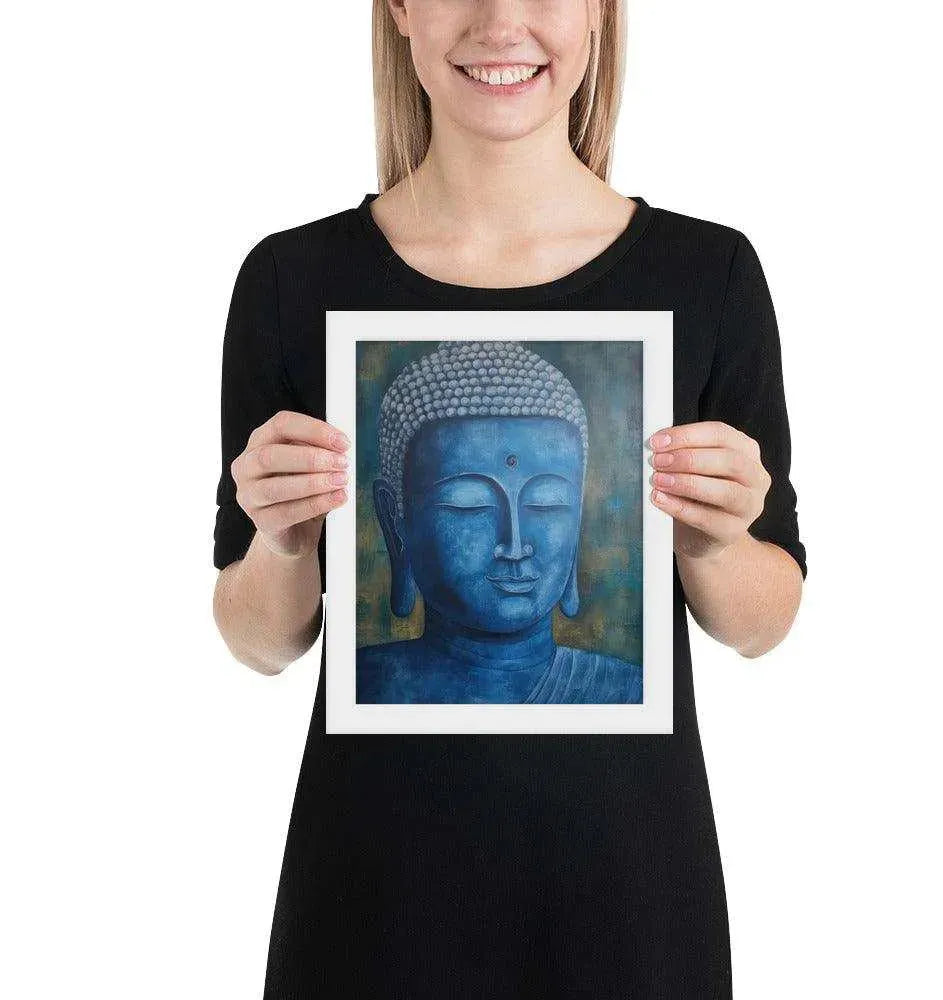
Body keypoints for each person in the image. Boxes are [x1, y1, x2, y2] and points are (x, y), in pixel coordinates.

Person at [212, 1, 806, 997]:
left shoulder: (707, 277)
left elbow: (763, 622)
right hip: (372, 900)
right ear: (399, 9)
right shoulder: (293, 280)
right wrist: (281, 543)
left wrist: (714, 542)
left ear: (600, 14)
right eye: (467, 498)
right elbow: (260, 640)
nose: (501, 20)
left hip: (628, 900)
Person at [357, 338, 642, 704]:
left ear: (579, 516)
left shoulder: (629, 694)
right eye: (470, 505)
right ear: (394, 522)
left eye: (546, 503)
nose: (514, 544)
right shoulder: (360, 689)